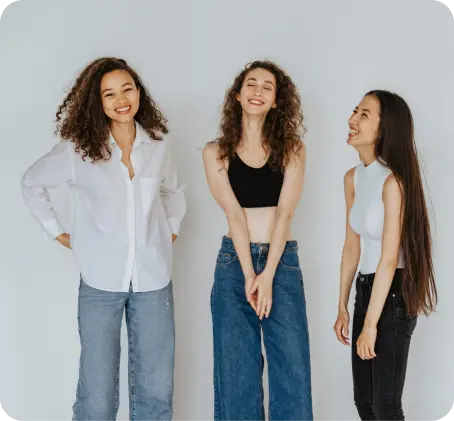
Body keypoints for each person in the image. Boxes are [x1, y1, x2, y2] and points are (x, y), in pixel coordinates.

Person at [21, 57, 186, 421]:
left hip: (154, 280)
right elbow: (31, 182)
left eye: (127, 88)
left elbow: (174, 192)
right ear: (98, 102)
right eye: (109, 94)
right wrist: (58, 233)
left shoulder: (157, 146)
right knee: (96, 393)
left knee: (156, 390)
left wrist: (169, 230)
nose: (121, 99)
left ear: (139, 92)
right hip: (100, 282)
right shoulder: (77, 149)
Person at [202, 60, 313, 421]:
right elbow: (234, 214)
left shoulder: (292, 149)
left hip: (282, 262)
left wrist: (268, 276)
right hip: (234, 264)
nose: (258, 91)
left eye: (267, 87)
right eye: (251, 84)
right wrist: (251, 274)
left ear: (277, 101)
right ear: (238, 94)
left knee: (291, 368)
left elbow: (285, 213)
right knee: (236, 372)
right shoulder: (215, 152)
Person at [334, 90, 437, 420]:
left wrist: (371, 324)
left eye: (364, 115)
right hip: (366, 291)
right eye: (355, 111)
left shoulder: (393, 182)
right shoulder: (353, 178)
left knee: (385, 406)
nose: (353, 119)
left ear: (385, 128)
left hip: (393, 296)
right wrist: (343, 306)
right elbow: (352, 247)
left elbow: (390, 259)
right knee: (364, 403)